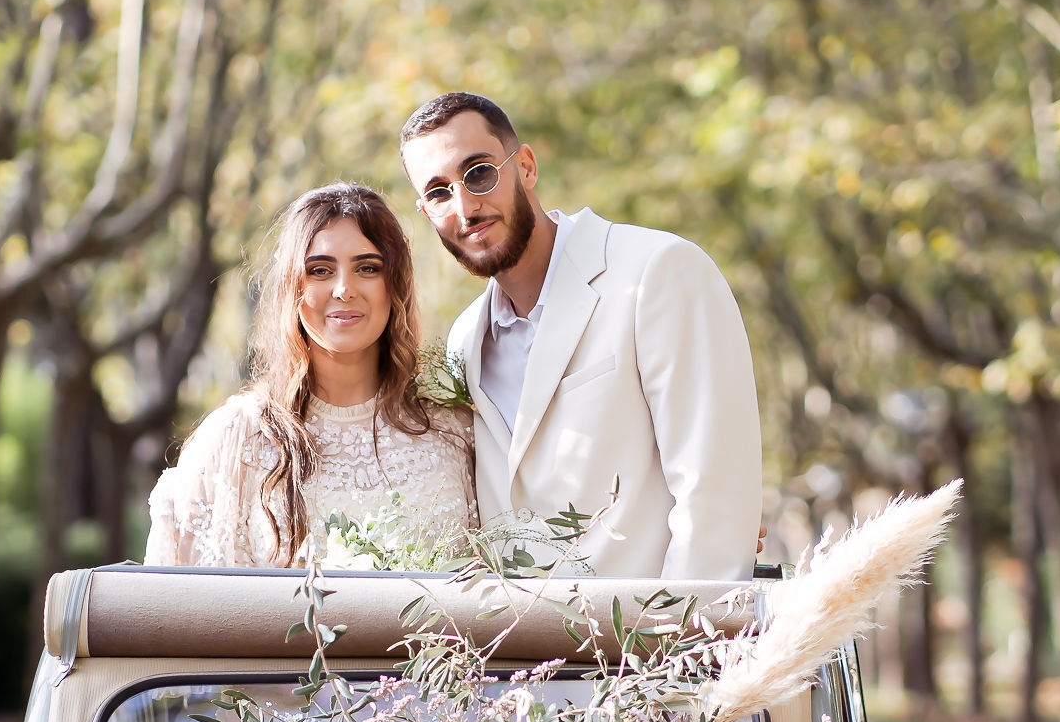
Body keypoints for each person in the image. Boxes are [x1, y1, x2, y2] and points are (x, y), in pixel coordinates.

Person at [398, 91, 763, 581]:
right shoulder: (465, 339)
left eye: (479, 172)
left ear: (525, 166)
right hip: (525, 654)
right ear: (425, 212)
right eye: (439, 192)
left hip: (651, 647)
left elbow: (714, 495)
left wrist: (676, 650)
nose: (465, 206)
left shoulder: (656, 272)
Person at [143, 182, 476, 568]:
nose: (344, 289)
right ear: (293, 286)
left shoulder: (453, 431)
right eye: (320, 270)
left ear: (394, 284)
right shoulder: (236, 440)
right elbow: (182, 611)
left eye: (367, 268)